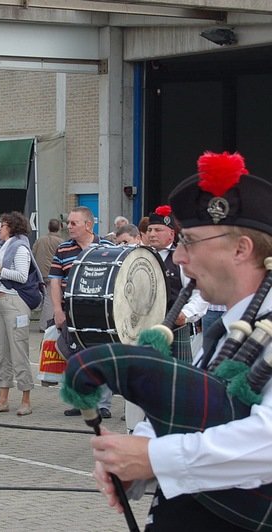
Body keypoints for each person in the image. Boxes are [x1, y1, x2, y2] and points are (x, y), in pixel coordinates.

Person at [91, 151, 272, 530]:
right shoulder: (227, 333)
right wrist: (134, 464)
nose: (179, 258)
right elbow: (194, 412)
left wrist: (154, 457)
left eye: (189, 242)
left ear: (241, 250)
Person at [49, 206, 114, 418]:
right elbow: (55, 281)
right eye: (68, 223)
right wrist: (58, 310)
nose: (68, 227)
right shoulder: (63, 249)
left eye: (73, 223)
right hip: (72, 313)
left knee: (102, 357)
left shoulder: (107, 247)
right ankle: (82, 402)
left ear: (88, 225)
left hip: (101, 314)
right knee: (75, 357)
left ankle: (102, 405)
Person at [0, 211, 35, 416]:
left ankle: (26, 399)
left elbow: (21, 276)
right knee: (3, 353)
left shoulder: (20, 248)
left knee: (19, 351)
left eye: (2, 226)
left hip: (15, 302)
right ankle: (2, 398)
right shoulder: (0, 248)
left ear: (11, 227)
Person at [145, 205, 208, 362]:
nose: (152, 234)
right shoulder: (138, 257)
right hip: (143, 329)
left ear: (171, 234)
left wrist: (186, 314)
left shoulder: (182, 259)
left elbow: (200, 294)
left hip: (175, 329)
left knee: (179, 382)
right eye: (149, 230)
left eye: (157, 230)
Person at [32, 218, 64, 329]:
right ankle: (45, 326)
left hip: (40, 273)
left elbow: (33, 254)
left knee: (45, 298)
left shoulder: (40, 240)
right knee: (50, 300)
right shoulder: (61, 242)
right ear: (60, 227)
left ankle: (44, 323)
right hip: (53, 275)